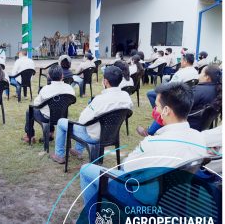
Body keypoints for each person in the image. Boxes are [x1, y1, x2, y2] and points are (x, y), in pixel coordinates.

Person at [79, 82, 207, 210]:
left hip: (145, 200)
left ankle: (92, 217)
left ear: (166, 110)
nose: (155, 110)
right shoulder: (200, 139)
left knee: (86, 169)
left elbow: (127, 169)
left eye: (156, 106)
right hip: (174, 198)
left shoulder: (152, 143)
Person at [50, 66, 133, 163]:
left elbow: (82, 121)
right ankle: (78, 150)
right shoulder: (126, 97)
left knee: (61, 122)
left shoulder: (100, 99)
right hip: (112, 134)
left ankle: (59, 155)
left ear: (105, 81)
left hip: (93, 136)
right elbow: (128, 113)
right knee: (87, 122)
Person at [22, 65, 75, 143]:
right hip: (62, 115)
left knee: (29, 111)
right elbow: (72, 100)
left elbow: (36, 104)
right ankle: (50, 133)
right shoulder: (69, 88)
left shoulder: (45, 89)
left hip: (46, 117)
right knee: (50, 109)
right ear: (62, 75)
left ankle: (30, 136)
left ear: (49, 76)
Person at [188, 64, 222, 131]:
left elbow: (178, 107)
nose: (199, 75)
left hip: (188, 126)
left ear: (207, 77)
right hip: (202, 127)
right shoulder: (219, 91)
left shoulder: (197, 91)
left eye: (201, 73)